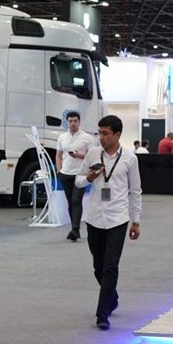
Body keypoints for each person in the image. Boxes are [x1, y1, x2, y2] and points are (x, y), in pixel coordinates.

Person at [75, 115, 142, 331]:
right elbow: (78, 180)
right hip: (94, 217)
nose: (101, 137)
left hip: (118, 219)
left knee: (111, 266)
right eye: (99, 133)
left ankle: (102, 314)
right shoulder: (93, 154)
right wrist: (90, 178)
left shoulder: (130, 159)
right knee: (98, 266)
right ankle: (111, 297)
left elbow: (135, 191)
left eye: (105, 133)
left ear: (117, 135)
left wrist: (136, 221)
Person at [56, 111, 96, 242]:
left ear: (79, 122)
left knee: (76, 200)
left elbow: (93, 156)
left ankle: (75, 229)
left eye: (75, 121)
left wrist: (79, 155)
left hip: (80, 174)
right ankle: (74, 227)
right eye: (70, 121)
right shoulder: (62, 137)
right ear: (67, 122)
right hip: (65, 173)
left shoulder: (87, 138)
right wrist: (59, 170)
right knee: (70, 202)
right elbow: (59, 155)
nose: (73, 123)